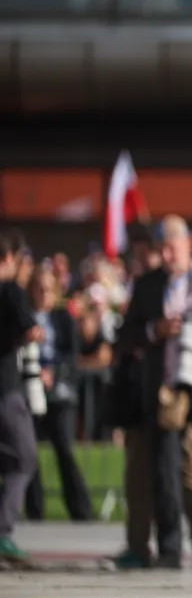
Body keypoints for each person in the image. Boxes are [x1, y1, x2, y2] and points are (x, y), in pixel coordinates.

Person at [117, 216, 192, 570]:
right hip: (167, 388)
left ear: (188, 244)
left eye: (173, 247)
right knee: (165, 471)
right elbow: (127, 335)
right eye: (162, 249)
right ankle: (170, 548)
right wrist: (155, 329)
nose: (167, 255)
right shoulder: (149, 285)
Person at [23, 265, 94, 522]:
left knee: (63, 448)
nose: (43, 294)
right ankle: (34, 508)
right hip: (30, 390)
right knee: (28, 451)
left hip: (59, 393)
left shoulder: (62, 318)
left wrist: (54, 372)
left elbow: (72, 354)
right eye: (38, 289)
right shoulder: (24, 317)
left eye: (48, 290)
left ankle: (80, 508)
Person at [0, 229, 41, 567]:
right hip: (5, 389)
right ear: (10, 258)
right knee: (25, 457)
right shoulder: (11, 290)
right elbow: (30, 328)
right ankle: (2, 531)